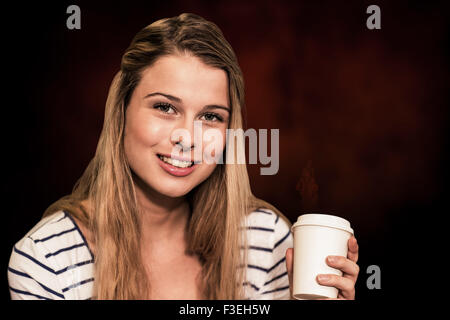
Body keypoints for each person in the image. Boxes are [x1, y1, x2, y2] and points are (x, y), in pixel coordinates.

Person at [7, 13, 359, 300]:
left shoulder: (265, 240)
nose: (188, 139)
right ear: (121, 112)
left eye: (210, 116)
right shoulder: (47, 259)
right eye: (165, 107)